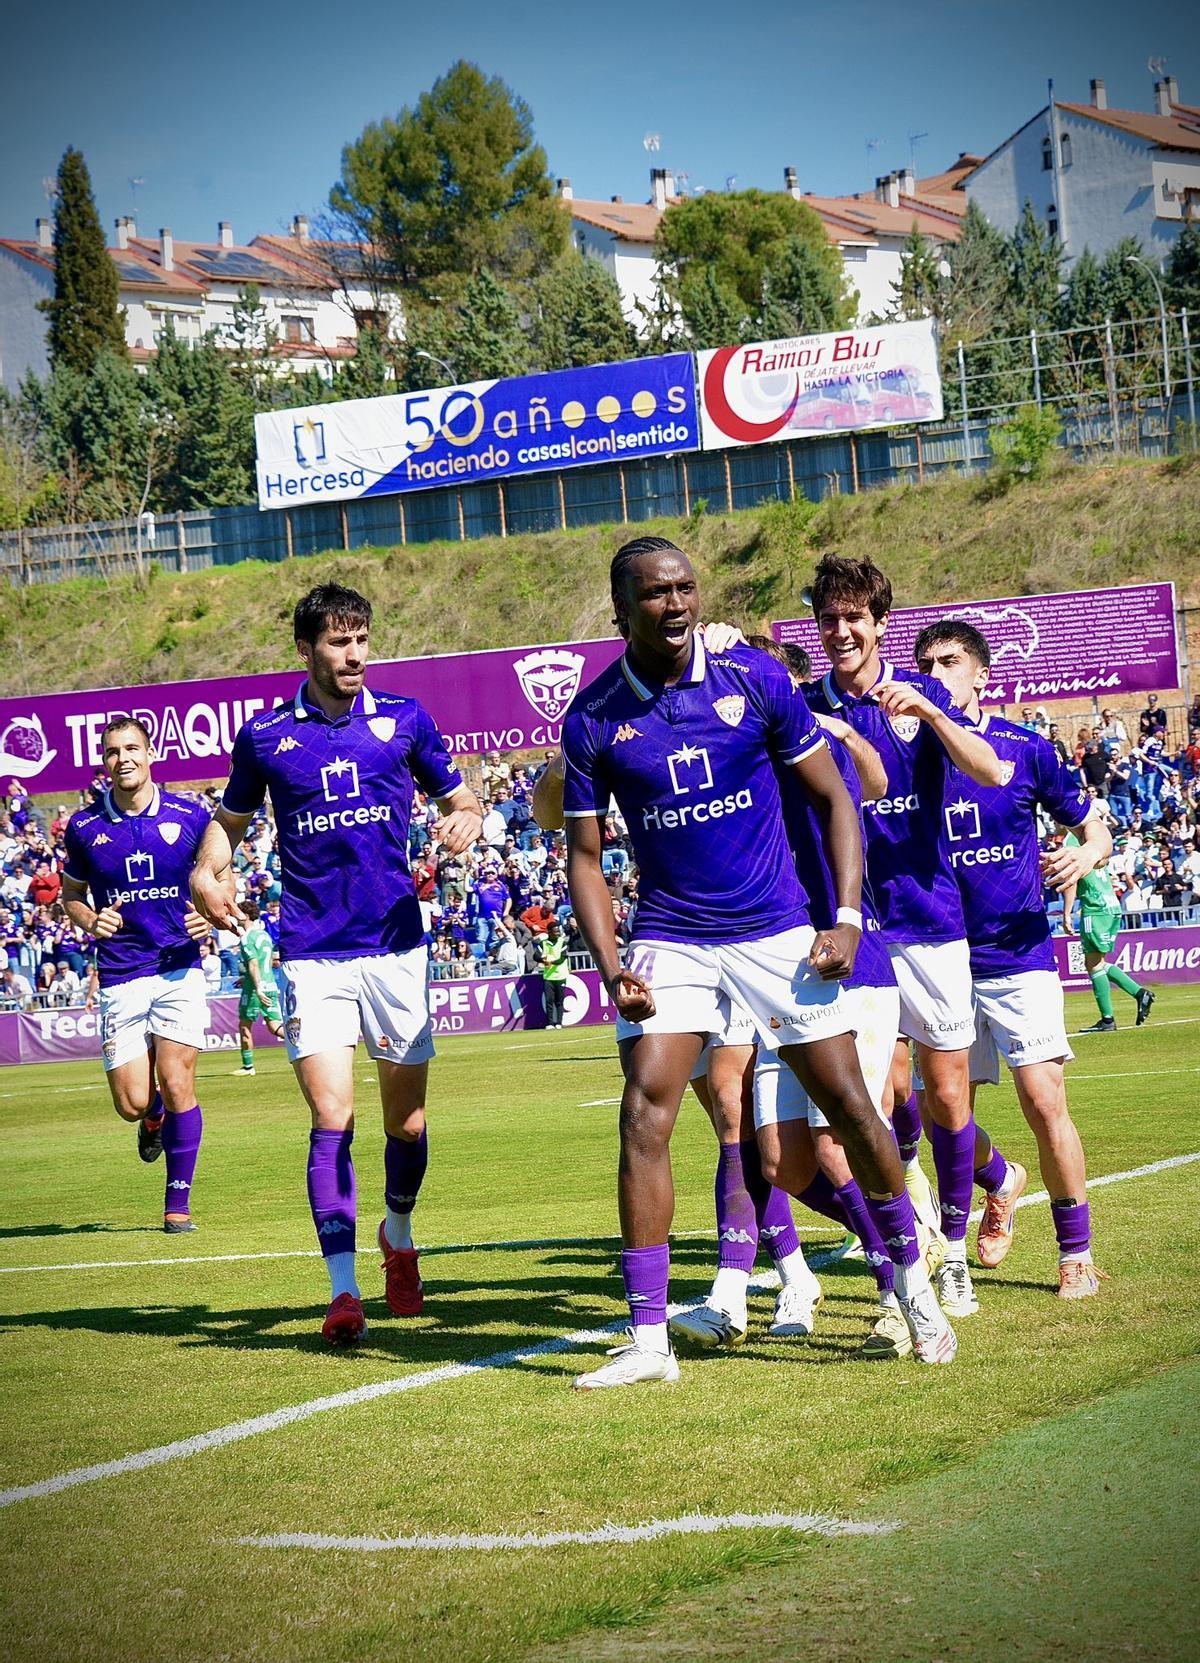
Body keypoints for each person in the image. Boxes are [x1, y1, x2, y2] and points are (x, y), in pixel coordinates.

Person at [562, 537, 954, 1389]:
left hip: (776, 929)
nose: (676, 604)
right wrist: (610, 960)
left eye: (686, 587)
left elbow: (836, 795)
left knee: (850, 1107)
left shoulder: (756, 679)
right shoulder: (592, 717)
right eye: (656, 593)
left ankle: (915, 1288)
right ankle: (649, 1340)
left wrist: (846, 918)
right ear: (621, 608)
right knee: (645, 1112)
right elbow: (585, 857)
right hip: (671, 933)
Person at [190, 583, 482, 1346]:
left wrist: (465, 815)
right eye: (337, 641)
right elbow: (227, 826)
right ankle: (344, 1289)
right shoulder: (264, 737)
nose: (353, 653)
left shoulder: (405, 721)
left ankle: (399, 1232)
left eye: (361, 638)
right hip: (313, 953)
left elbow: (464, 797)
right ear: (306, 648)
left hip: (395, 947)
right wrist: (205, 871)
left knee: (407, 1123)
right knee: (332, 1117)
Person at [801, 553, 1010, 1322]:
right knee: (876, 1104)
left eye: (855, 616)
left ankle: (953, 1252)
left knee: (949, 1094)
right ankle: (913, 1242)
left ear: (880, 622)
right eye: (829, 618)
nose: (842, 630)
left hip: (927, 921)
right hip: (856, 931)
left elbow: (988, 770)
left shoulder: (918, 694)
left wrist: (930, 716)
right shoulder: (805, 702)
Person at [914, 620, 1112, 1298]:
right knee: (942, 1111)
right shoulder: (908, 753)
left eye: (950, 660)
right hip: (938, 953)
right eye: (926, 662)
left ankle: (1076, 1252)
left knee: (1043, 1096)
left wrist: (1085, 854)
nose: (936, 672)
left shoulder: (1026, 749)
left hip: (1018, 949)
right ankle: (999, 1180)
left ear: (981, 674)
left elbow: (1094, 826)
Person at [60, 718, 211, 1233]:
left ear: (151, 754)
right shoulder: (83, 828)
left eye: (131, 749)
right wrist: (89, 919)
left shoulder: (190, 815)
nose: (122, 758)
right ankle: (152, 1122)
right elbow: (72, 896)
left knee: (176, 1081)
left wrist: (208, 911)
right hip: (121, 972)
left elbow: (220, 873)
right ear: (103, 762)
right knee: (133, 1102)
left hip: (178, 967)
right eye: (111, 752)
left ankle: (177, 1204)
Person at [1061, 838, 1155, 1033]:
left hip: (1095, 908)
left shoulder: (1070, 841)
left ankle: (1107, 1019)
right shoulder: (1092, 836)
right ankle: (1140, 993)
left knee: (1093, 964)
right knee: (1098, 963)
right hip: (1111, 905)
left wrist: (1067, 914)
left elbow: (1071, 880)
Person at [234, 899, 285, 1075]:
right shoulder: (264, 935)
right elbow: (268, 962)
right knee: (275, 1026)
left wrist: (256, 986)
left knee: (244, 1025)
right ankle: (307, 1043)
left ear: (245, 916)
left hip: (256, 989)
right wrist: (246, 977)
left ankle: (248, 1066)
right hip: (270, 983)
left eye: (237, 913)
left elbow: (254, 964)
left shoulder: (247, 937)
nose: (235, 915)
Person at [538, 916, 570, 1026]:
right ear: (549, 932)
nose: (557, 933)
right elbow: (536, 956)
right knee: (549, 1001)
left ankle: (559, 1023)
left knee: (559, 1001)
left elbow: (562, 958)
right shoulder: (543, 943)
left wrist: (550, 961)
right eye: (554, 931)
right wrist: (543, 960)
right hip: (548, 976)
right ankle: (550, 1023)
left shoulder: (562, 942)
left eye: (558, 931)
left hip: (560, 975)